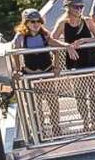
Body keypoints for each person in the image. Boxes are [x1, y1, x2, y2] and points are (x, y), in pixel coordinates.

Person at [13, 8, 73, 137]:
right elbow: (15, 54)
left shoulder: (44, 34)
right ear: (26, 23)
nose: (36, 24)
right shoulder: (21, 37)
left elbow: (55, 48)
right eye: (32, 21)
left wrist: (57, 65)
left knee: (52, 101)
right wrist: (17, 70)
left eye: (38, 21)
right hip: (31, 74)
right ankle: (39, 130)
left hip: (46, 72)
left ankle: (56, 127)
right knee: (35, 104)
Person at [53, 0, 95, 131]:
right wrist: (66, 45)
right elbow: (52, 40)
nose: (79, 10)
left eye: (81, 7)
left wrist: (85, 40)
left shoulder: (87, 21)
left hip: (91, 59)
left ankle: (94, 122)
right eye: (76, 7)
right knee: (80, 94)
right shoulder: (63, 23)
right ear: (68, 8)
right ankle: (85, 122)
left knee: (94, 94)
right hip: (75, 61)